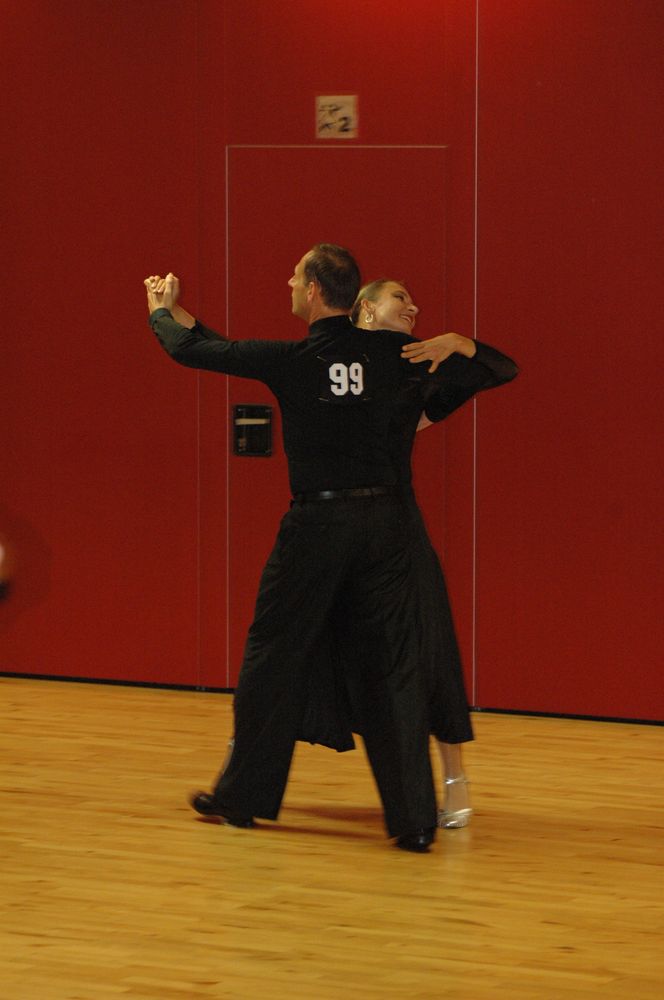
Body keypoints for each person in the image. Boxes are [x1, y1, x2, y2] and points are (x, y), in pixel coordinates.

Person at [144, 244, 508, 853]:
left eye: (294, 277)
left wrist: (161, 312)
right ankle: (414, 821)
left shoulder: (292, 360)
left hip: (317, 524)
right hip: (389, 526)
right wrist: (460, 343)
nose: (289, 284)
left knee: (273, 656)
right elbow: (499, 368)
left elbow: (196, 351)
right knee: (393, 669)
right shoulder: (398, 356)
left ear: (314, 290)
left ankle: (243, 797)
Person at [299, 279, 519, 829]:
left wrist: (459, 343)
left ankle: (454, 777)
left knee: (428, 648)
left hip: (398, 531)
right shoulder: (326, 362)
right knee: (296, 643)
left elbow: (500, 369)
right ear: (366, 308)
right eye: (400, 298)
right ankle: (247, 765)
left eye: (414, 301)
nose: (414, 306)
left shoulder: (414, 372)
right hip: (331, 532)